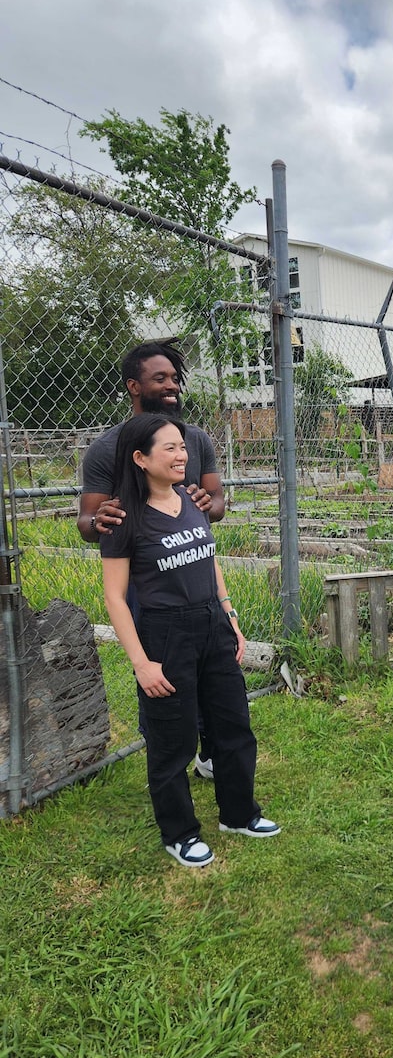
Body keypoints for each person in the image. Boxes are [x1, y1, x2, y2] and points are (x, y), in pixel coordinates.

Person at [100, 413, 280, 867]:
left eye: (183, 446)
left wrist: (230, 615)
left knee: (232, 724)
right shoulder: (124, 516)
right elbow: (116, 599)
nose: (182, 455)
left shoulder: (191, 499)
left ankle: (239, 813)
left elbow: (210, 559)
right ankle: (179, 833)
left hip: (212, 626)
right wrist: (142, 663)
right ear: (140, 458)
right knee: (172, 741)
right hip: (165, 632)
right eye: (170, 448)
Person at [78, 338, 224, 780]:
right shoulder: (107, 449)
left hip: (196, 571)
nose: (172, 386)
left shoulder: (194, 440)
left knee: (208, 667)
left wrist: (207, 502)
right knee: (162, 671)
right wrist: (98, 519)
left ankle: (210, 752)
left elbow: (217, 501)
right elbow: (86, 521)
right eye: (160, 378)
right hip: (148, 583)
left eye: (175, 379)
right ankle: (166, 755)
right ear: (133, 387)